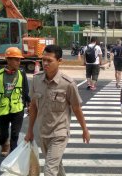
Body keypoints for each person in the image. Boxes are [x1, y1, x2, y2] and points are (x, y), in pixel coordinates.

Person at [25, 45, 90, 176]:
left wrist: (85, 129)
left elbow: (76, 108)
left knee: (49, 170)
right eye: (44, 60)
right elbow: (33, 107)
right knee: (56, 166)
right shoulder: (37, 80)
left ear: (59, 61)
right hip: (43, 132)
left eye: (49, 60)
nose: (45, 63)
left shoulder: (68, 84)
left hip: (59, 133)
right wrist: (30, 130)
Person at [0, 47, 30, 157]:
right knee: (3, 134)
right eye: (16, 59)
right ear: (9, 60)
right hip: (3, 109)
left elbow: (25, 90)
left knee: (15, 134)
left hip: (17, 108)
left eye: (19, 60)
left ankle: (13, 153)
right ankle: (4, 143)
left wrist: (29, 105)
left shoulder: (22, 73)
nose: (19, 62)